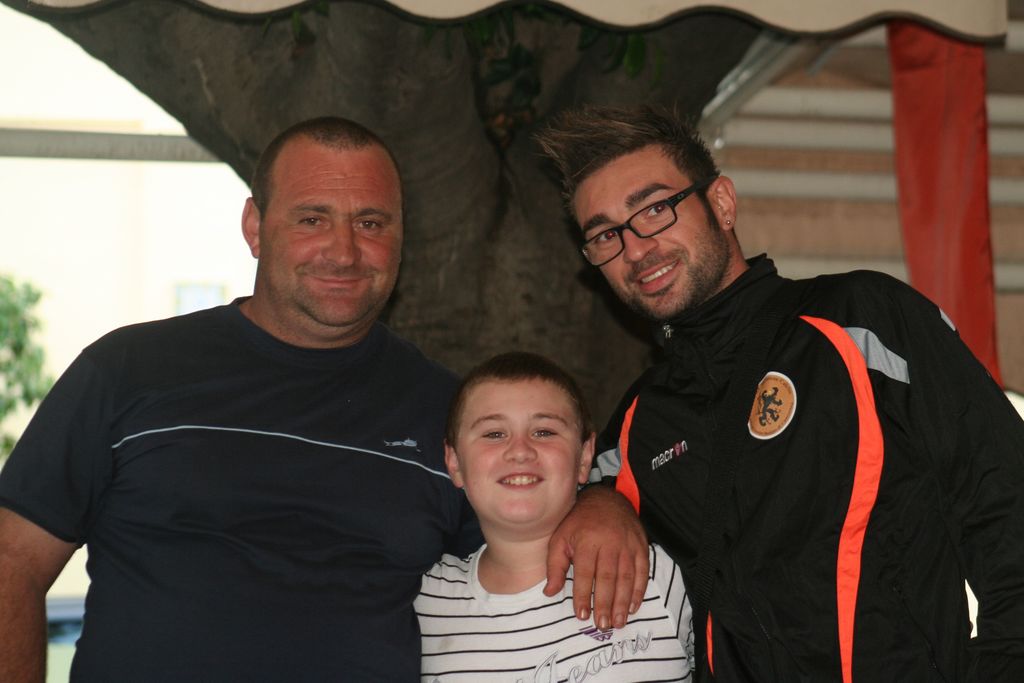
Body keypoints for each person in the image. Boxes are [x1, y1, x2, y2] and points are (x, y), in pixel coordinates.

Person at [0, 117, 646, 681]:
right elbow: (13, 563)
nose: (344, 251)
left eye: (370, 223)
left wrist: (601, 503)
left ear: (401, 236)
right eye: (312, 219)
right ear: (255, 227)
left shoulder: (453, 414)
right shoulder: (129, 370)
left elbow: (529, 547)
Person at [535, 105, 1024, 682]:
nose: (636, 249)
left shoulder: (863, 319)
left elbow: (1004, 500)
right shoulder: (640, 422)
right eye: (605, 235)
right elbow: (553, 502)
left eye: (655, 209)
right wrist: (600, 502)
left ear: (722, 203)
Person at [415, 351, 694, 682]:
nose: (520, 451)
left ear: (584, 456)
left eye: (544, 432)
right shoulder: (423, 601)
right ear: (454, 462)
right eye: (494, 434)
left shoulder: (653, 573)